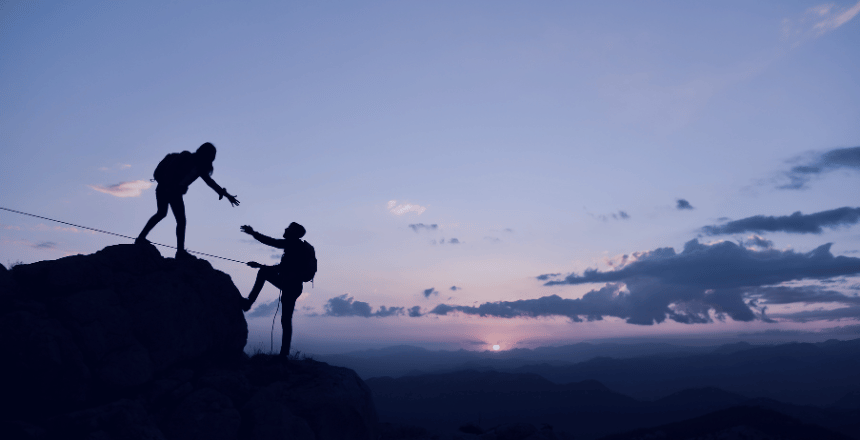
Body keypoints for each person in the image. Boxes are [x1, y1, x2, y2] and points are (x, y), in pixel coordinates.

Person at [135, 142, 239, 259]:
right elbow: (170, 169)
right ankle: (178, 251)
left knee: (165, 215)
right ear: (204, 153)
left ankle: (144, 239)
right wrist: (169, 186)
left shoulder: (200, 168)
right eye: (211, 154)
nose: (213, 158)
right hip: (168, 189)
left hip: (170, 191)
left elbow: (210, 182)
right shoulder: (186, 156)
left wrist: (226, 195)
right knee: (175, 218)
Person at [241, 222, 311, 357]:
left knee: (285, 319)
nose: (285, 229)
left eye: (289, 228)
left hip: (291, 286)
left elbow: (272, 243)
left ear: (295, 233)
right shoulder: (296, 246)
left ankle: (249, 302)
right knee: (286, 319)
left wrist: (253, 233)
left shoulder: (293, 245)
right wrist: (261, 265)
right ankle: (283, 355)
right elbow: (282, 267)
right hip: (292, 286)